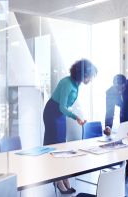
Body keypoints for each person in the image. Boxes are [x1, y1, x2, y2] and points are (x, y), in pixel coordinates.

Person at [43, 59, 97, 194]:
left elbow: (65, 106)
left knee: (62, 147)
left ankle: (64, 178)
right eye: (91, 76)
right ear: (84, 74)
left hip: (60, 114)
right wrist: (76, 117)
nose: (91, 79)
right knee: (55, 148)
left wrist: (74, 116)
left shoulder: (76, 84)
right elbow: (62, 107)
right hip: (52, 113)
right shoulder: (67, 83)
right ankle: (58, 181)